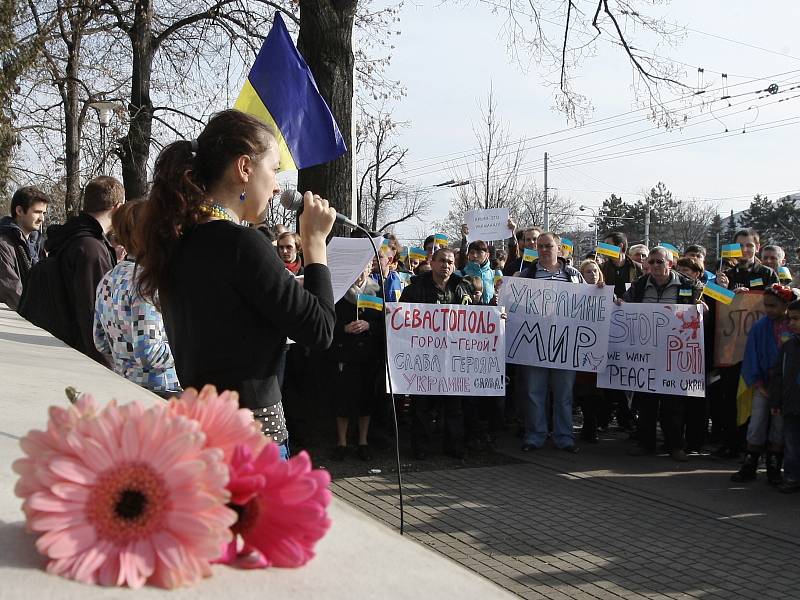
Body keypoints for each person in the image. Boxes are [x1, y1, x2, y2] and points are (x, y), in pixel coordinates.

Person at [135, 109, 336, 459]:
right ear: (244, 168)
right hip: (252, 441)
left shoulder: (178, 241)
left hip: (202, 430)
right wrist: (315, 243)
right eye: (273, 170)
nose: (276, 186)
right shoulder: (242, 245)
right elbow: (320, 330)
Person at [19, 176, 122, 366]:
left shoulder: (70, 238)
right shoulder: (91, 249)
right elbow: (93, 315)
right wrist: (110, 367)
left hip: (64, 351)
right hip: (82, 360)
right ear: (117, 207)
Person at [623, 246, 704, 461]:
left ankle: (675, 446)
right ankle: (645, 443)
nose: (655, 266)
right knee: (646, 403)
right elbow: (625, 305)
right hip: (646, 353)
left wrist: (703, 307)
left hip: (675, 355)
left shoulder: (689, 286)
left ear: (671, 263)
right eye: (652, 262)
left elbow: (704, 305)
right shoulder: (639, 286)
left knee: (673, 405)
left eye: (660, 261)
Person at [93, 201, 179, 394]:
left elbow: (101, 342)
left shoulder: (109, 279)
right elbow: (149, 352)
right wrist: (189, 349)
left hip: (124, 384)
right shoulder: (147, 283)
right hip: (162, 391)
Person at [516, 232, 589, 454]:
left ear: (559, 248)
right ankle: (535, 435)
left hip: (565, 345)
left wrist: (602, 294)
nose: (544, 250)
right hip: (534, 344)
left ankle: (564, 437)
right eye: (540, 246)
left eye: (548, 246)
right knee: (534, 393)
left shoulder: (574, 275)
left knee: (563, 395)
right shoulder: (526, 275)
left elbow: (589, 304)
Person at [400, 247, 473, 459]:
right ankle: (420, 448)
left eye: (450, 262)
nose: (446, 265)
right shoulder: (415, 288)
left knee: (454, 406)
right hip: (424, 356)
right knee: (422, 405)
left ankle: (454, 446)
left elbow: (476, 315)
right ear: (432, 262)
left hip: (452, 357)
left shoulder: (461, 287)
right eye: (442, 261)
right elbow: (402, 316)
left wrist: (496, 318)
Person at [713, 228, 779, 458]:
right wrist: (724, 289)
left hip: (759, 347)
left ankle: (755, 447)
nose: (745, 250)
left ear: (757, 247)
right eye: (740, 246)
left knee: (757, 397)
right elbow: (714, 306)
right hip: (731, 348)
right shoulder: (724, 273)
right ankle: (731, 443)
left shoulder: (768, 273)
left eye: (749, 245)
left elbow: (778, 304)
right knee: (729, 396)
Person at [732, 284, 798, 484]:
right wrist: (759, 384)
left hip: (785, 387)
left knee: (779, 426)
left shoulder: (793, 328)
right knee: (757, 422)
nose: (769, 310)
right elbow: (751, 356)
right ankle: (749, 464)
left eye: (774, 306)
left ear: (786, 305)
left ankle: (773, 467)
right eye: (766, 305)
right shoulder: (760, 326)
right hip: (763, 383)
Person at [321, 262, 384, 461]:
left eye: (364, 268)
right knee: (343, 399)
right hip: (345, 354)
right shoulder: (338, 292)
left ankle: (363, 442)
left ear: (369, 269)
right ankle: (342, 442)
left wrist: (369, 325)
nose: (360, 273)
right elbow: (327, 320)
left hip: (368, 354)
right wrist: (344, 328)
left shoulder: (377, 291)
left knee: (366, 400)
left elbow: (386, 322)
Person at [0, 186, 49, 309]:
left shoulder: (38, 244)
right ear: (19, 211)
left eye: (43, 213)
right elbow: (12, 291)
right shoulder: (3, 245)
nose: (42, 218)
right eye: (37, 212)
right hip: (12, 322)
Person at [770, 299, 800, 493]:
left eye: (797, 319)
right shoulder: (788, 346)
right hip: (792, 405)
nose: (792, 323)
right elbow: (778, 375)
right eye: (790, 319)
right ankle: (792, 477)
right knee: (792, 444)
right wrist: (776, 400)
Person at [576, 259, 605, 443]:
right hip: (581, 348)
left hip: (600, 348)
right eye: (587, 272)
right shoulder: (575, 294)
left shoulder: (607, 292)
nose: (592, 274)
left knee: (597, 391)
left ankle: (592, 425)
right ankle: (588, 424)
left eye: (595, 271)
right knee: (583, 390)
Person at [458, 239, 502, 304]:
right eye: (472, 252)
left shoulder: (495, 274)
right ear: (468, 254)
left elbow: (500, 293)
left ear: (487, 255)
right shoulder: (460, 274)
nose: (475, 256)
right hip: (468, 312)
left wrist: (495, 299)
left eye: (479, 253)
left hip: (490, 312)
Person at [600, 231, 643, 299]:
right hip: (608, 307)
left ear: (620, 246)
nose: (604, 248)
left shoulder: (638, 268)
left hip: (631, 307)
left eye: (608, 244)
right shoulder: (601, 268)